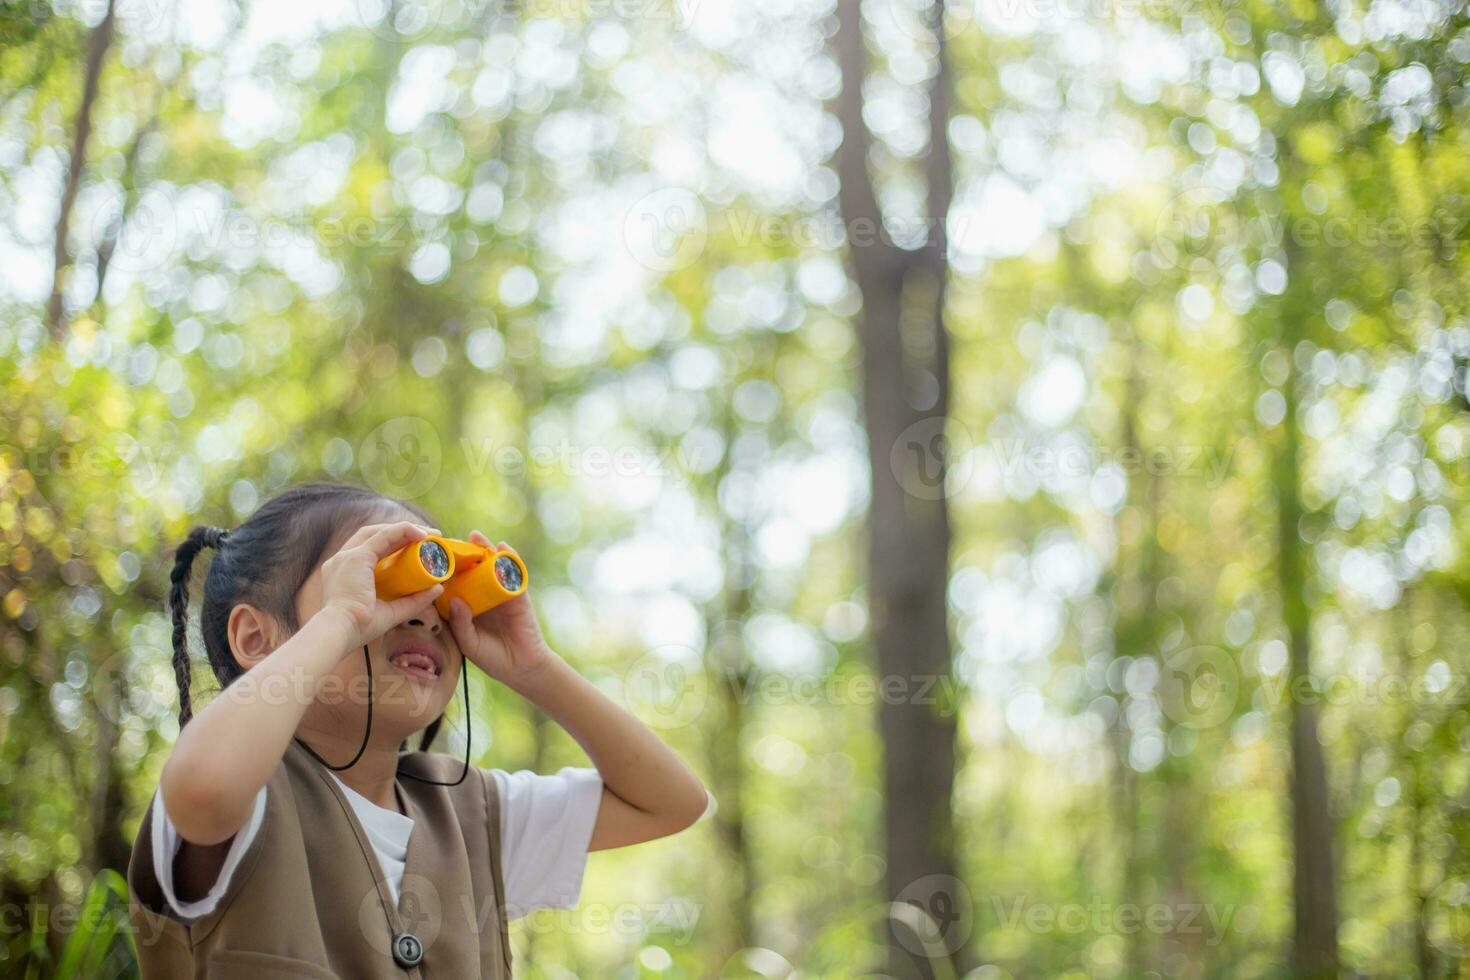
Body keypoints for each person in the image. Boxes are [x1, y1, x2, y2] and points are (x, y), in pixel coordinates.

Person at [127, 481, 710, 978]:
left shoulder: (471, 812)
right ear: (258, 639)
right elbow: (202, 786)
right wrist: (345, 616)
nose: (425, 612)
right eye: (385, 581)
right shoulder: (250, 800)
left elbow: (673, 802)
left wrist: (535, 668)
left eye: (444, 588)